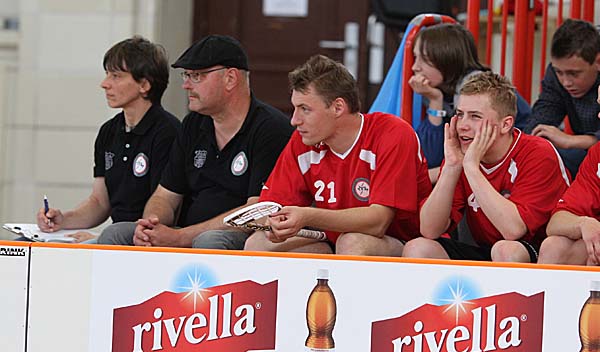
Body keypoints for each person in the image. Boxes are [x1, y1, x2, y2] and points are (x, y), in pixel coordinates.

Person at [98, 34, 293, 249]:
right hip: (186, 232)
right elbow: (165, 196)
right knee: (116, 233)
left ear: (230, 78)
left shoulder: (270, 129)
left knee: (210, 240)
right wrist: (151, 225)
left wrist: (182, 237)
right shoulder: (193, 124)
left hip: (238, 237)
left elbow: (257, 211)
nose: (186, 85)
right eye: (186, 75)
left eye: (196, 76)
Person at [243, 55, 432, 256]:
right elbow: (270, 206)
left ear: (338, 107)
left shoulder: (392, 133)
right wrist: (275, 222)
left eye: (305, 109)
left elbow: (378, 222)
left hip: (403, 241)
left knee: (352, 242)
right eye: (295, 108)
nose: (294, 120)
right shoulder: (304, 139)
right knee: (257, 243)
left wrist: (307, 216)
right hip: (331, 237)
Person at [402, 71, 570, 263]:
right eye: (460, 115)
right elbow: (429, 229)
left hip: (543, 255)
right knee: (418, 248)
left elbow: (513, 230)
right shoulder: (462, 154)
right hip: (488, 250)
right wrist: (451, 167)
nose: (462, 126)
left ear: (505, 125)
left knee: (506, 250)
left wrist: (472, 168)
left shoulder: (538, 153)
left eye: (475, 117)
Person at [36, 36, 180, 243]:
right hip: (114, 235)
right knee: (26, 242)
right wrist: (63, 220)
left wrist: (97, 238)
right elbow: (99, 202)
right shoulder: (109, 131)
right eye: (107, 75)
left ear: (144, 85)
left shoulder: (168, 132)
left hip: (145, 236)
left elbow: (163, 207)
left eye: (116, 76)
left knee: (109, 236)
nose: (105, 84)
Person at [410, 23, 531, 184]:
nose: (415, 67)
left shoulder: (481, 89)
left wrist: (424, 177)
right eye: (415, 57)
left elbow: (448, 162)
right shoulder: (441, 91)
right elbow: (431, 157)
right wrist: (435, 100)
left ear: (447, 57)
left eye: (424, 59)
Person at [525, 19, 600, 178]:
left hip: (590, 153)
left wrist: (570, 141)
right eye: (559, 72)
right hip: (585, 153)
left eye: (574, 74)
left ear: (598, 61)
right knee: (544, 156)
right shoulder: (556, 73)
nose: (566, 82)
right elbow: (544, 114)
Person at [538, 85, 600, 266]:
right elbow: (557, 222)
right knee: (554, 248)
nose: (599, 116)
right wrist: (583, 223)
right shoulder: (597, 154)